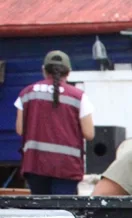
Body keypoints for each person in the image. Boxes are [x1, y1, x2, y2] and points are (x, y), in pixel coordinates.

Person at [15, 50, 95, 195]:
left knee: (40, 213)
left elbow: (20, 129)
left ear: (44, 70)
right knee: (63, 213)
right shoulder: (78, 96)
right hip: (66, 167)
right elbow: (89, 134)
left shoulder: (26, 93)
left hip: (35, 165)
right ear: (68, 72)